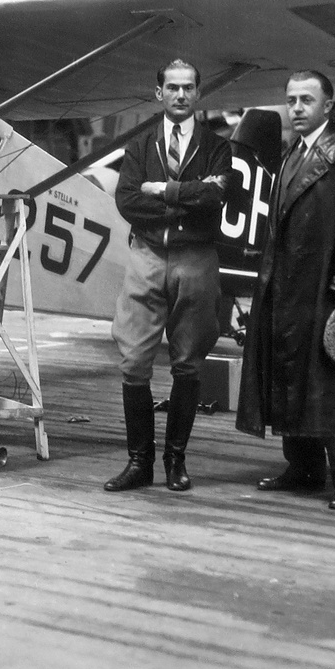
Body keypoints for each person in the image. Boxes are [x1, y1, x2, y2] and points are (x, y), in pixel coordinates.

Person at [237, 70, 335, 512]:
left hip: (328, 285)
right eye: (291, 100)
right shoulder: (291, 154)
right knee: (291, 378)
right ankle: (302, 468)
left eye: (307, 99)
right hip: (288, 287)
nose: (297, 107)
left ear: (329, 106)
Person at [106, 59, 232, 493]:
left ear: (199, 94)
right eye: (172, 87)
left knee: (188, 364)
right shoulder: (140, 145)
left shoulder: (218, 147)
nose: (181, 95)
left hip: (196, 260)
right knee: (134, 362)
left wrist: (163, 191)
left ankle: (175, 460)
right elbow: (126, 200)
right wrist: (185, 204)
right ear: (158, 92)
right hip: (146, 258)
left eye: (189, 88)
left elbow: (218, 196)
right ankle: (139, 463)